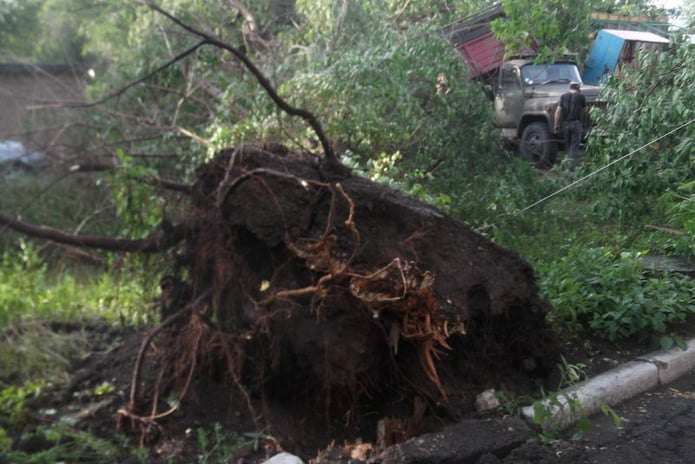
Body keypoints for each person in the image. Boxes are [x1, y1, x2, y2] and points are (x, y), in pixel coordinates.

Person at [554, 82, 587, 167]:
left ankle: (567, 165)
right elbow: (586, 110)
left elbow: (558, 112)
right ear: (578, 89)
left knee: (568, 146)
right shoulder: (581, 96)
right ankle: (571, 167)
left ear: (570, 88)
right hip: (576, 124)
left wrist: (556, 125)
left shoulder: (563, 96)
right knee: (574, 146)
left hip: (565, 124)